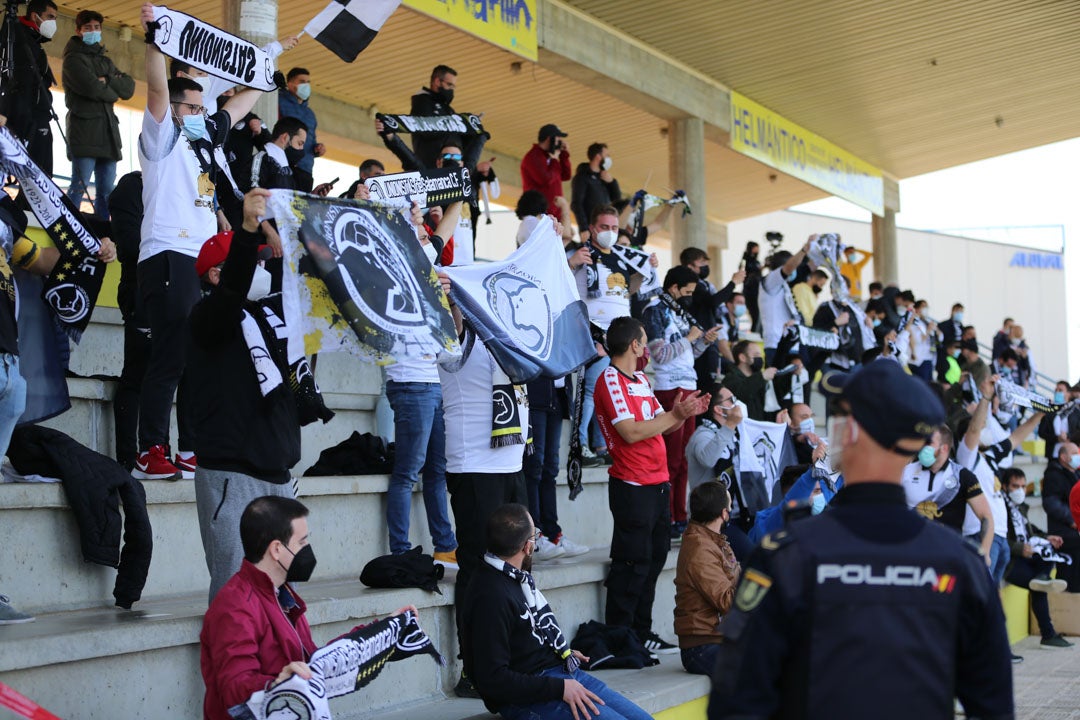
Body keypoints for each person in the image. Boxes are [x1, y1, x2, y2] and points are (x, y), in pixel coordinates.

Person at [708, 360, 1013, 720]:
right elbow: (993, 706)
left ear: (847, 433)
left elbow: (735, 702)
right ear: (916, 443)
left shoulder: (784, 555)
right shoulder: (961, 563)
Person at [134, 3, 264, 482]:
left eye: (201, 108)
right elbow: (155, 88)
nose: (200, 113)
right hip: (167, 255)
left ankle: (189, 446)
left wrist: (264, 64)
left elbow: (239, 104)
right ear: (176, 109)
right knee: (170, 357)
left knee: (197, 360)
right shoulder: (162, 139)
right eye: (191, 107)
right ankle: (151, 448)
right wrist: (153, 44)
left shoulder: (204, 149)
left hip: (203, 264)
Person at [188, 189, 301, 601]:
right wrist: (248, 229)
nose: (261, 269)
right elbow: (233, 290)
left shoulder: (269, 316)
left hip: (278, 476)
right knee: (236, 596)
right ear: (216, 274)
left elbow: (306, 277)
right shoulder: (207, 318)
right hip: (232, 478)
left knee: (281, 595)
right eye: (253, 261)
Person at [462, 503, 652, 720]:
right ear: (527, 546)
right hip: (528, 696)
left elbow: (524, 640)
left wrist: (562, 653)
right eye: (535, 535)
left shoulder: (513, 575)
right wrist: (559, 688)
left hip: (559, 674)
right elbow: (493, 679)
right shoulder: (490, 596)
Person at [593, 316, 710, 656]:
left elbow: (663, 425)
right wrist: (674, 416)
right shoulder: (610, 379)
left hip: (657, 482)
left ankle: (640, 632)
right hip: (632, 484)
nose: (646, 348)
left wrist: (683, 413)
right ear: (634, 345)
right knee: (632, 561)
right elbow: (630, 432)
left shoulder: (641, 379)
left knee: (656, 557)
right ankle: (620, 635)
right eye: (644, 342)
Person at [438, 271, 530, 697]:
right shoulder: (456, 335)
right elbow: (451, 338)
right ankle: (473, 667)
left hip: (513, 463)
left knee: (520, 565)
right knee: (478, 570)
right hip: (474, 469)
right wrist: (450, 304)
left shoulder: (507, 337)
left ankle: (516, 657)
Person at [200, 496, 317, 720]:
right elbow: (235, 687)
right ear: (276, 549)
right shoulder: (234, 605)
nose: (307, 549)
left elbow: (312, 658)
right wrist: (277, 684)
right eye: (302, 542)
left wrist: (380, 632)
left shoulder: (282, 594)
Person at [643, 266, 717, 536]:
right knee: (672, 458)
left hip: (689, 383)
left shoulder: (680, 314)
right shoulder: (655, 310)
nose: (690, 297)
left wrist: (703, 342)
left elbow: (688, 354)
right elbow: (660, 355)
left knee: (684, 460)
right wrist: (689, 338)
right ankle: (668, 516)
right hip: (669, 387)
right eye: (687, 292)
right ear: (673, 288)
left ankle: (680, 516)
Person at [61, 9, 135, 219]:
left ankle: (105, 234)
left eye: (96, 27)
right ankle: (70, 228)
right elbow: (92, 88)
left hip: (108, 134)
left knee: (106, 192)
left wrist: (108, 80)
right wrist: (112, 89)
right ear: (78, 30)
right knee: (79, 185)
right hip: (84, 132)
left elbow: (128, 88)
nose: (92, 31)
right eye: (87, 28)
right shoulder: (73, 60)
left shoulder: (105, 61)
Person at [1001, 467, 1073, 648]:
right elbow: (995, 539)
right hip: (1010, 561)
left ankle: (1043, 577)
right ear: (1004, 486)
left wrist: (1047, 537)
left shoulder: (1019, 508)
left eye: (1023, 486)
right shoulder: (998, 507)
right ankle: (1048, 635)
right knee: (1039, 587)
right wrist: (1019, 548)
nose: (1019, 491)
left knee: (1049, 551)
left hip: (1027, 556)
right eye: (1015, 486)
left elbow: (1030, 530)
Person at [673, 482, 740, 676]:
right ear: (724, 514)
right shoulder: (700, 548)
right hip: (702, 647)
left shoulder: (713, 539)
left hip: (721, 638)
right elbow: (729, 602)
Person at [901, 424, 993, 559]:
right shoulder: (905, 472)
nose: (922, 446)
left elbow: (986, 516)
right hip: (911, 552)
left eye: (928, 442)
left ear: (944, 448)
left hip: (948, 554)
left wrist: (985, 552)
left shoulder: (963, 476)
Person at [2, 0, 57, 175]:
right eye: (50, 17)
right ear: (35, 16)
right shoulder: (19, 40)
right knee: (38, 175)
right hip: (28, 118)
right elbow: (22, 82)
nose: (53, 22)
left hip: (36, 115)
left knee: (39, 175)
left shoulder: (32, 41)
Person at [758, 237, 811, 364]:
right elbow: (789, 267)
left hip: (792, 345)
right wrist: (804, 249)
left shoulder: (785, 286)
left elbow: (811, 267)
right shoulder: (770, 281)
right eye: (794, 265)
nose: (795, 269)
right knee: (779, 383)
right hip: (776, 345)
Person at [278, 67, 325, 192]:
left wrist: (318, 149)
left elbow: (311, 140)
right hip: (284, 164)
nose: (306, 85)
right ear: (290, 84)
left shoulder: (310, 114)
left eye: (308, 82)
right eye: (302, 81)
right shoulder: (278, 101)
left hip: (305, 169)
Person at [1041, 441, 1080, 587]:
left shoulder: (1075, 473)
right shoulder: (1053, 475)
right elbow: (1051, 503)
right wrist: (1073, 519)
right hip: (1064, 532)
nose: (1078, 456)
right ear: (1063, 457)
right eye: (1074, 454)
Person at [410, 64, 458, 167]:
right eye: (449, 85)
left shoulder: (449, 110)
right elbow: (427, 130)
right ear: (437, 81)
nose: (451, 90)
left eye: (453, 86)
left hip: (448, 168)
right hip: (428, 167)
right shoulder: (422, 101)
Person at [719, 340, 777, 422]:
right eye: (756, 355)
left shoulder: (759, 379)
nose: (760, 358)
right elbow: (741, 392)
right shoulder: (730, 379)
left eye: (760, 355)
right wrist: (761, 377)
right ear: (742, 357)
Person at [570, 142, 622, 233]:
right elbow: (576, 204)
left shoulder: (604, 177)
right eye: (607, 155)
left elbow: (617, 200)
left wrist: (612, 183)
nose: (609, 158)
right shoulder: (582, 177)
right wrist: (584, 228)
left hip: (605, 225)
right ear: (598, 156)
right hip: (590, 227)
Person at [521, 124, 571, 212]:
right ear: (549, 138)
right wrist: (554, 160)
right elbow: (545, 179)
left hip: (555, 214)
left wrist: (564, 156)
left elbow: (566, 175)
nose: (560, 141)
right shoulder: (533, 156)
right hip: (540, 214)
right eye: (558, 138)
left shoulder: (550, 157)